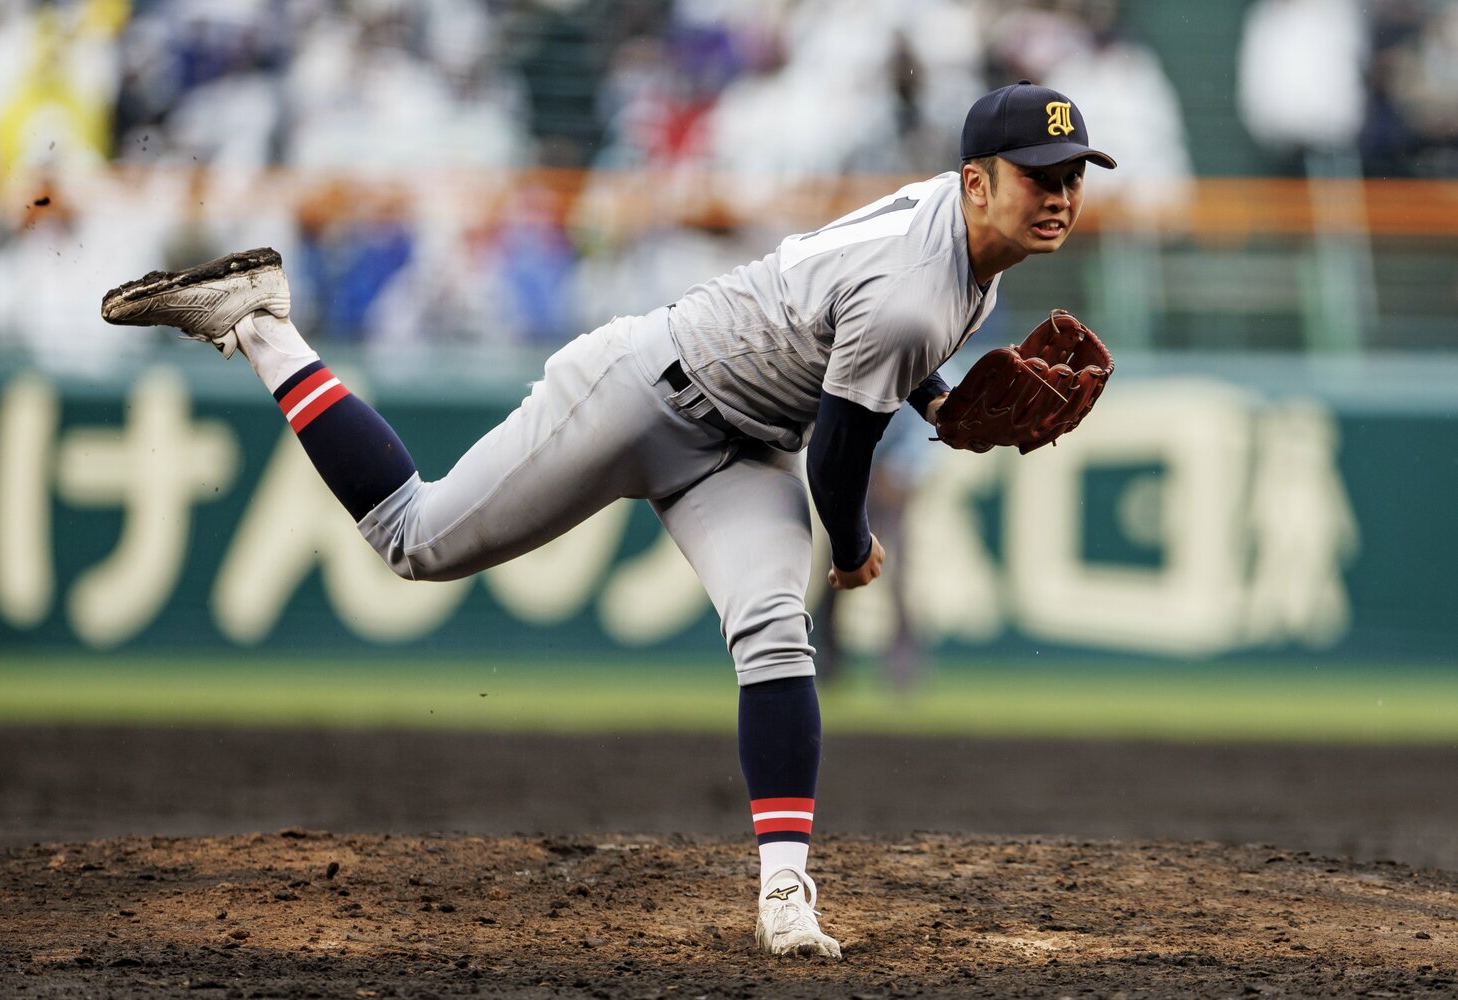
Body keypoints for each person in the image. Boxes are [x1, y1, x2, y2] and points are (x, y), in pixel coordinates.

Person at [101, 81, 1114, 959]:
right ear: (977, 181)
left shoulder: (957, 242)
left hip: (742, 447)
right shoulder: (919, 285)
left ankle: (784, 889)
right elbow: (840, 456)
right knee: (415, 537)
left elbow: (872, 341)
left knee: (772, 631)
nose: (1061, 193)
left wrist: (936, 404)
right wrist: (851, 551)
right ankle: (264, 319)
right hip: (645, 391)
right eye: (1038, 173)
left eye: (1072, 172)